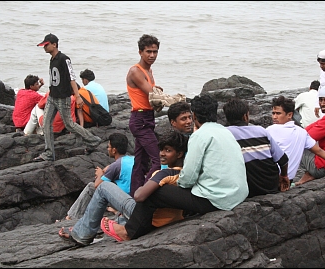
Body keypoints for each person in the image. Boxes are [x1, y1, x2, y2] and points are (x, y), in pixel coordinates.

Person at [101, 94, 249, 242]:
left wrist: (172, 180)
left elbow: (188, 179)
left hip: (217, 200)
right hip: (238, 194)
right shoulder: (225, 132)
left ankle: (129, 231)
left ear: (195, 115)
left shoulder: (199, 136)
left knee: (156, 192)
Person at [58, 130, 188, 246]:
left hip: (148, 217)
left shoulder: (163, 174)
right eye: (161, 150)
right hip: (168, 218)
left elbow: (139, 196)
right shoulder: (185, 174)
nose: (162, 154)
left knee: (104, 187)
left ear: (179, 154)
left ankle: (81, 234)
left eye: (168, 150)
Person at [34, 33, 101, 162]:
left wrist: (78, 96)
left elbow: (72, 78)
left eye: (46, 45)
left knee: (69, 124)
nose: (45, 48)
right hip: (52, 96)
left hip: (63, 98)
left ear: (54, 44)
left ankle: (93, 140)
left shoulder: (64, 59)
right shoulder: (52, 60)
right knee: (46, 123)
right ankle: (48, 153)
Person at [266, 95, 325, 185]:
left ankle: (310, 173)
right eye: (273, 113)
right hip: (289, 178)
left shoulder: (270, 130)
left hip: (274, 179)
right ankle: (308, 174)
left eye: (278, 114)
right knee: (302, 144)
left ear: (290, 115)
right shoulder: (302, 133)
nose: (274, 117)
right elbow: (319, 151)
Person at [223, 98, 290, 196]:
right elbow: (283, 160)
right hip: (271, 184)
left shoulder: (225, 134)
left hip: (248, 189)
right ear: (245, 116)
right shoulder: (261, 131)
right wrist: (284, 175)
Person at [63, 133, 134, 221]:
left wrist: (100, 174)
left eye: (109, 147)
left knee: (91, 187)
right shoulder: (132, 159)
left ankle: (71, 217)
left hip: (123, 201)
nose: (107, 149)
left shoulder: (116, 166)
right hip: (133, 199)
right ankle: (114, 210)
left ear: (114, 150)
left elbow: (98, 186)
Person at [127, 34, 162, 197]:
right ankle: (144, 194)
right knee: (157, 160)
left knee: (140, 162)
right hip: (140, 119)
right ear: (140, 52)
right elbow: (152, 94)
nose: (152, 55)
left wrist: (158, 91)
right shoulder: (136, 71)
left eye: (155, 52)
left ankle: (134, 195)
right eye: (148, 52)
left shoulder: (149, 70)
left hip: (147, 118)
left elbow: (152, 92)